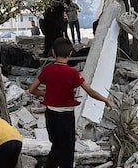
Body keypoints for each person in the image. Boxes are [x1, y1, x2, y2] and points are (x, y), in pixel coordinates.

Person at [29, 37, 109, 168]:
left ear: (53, 53)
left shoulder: (47, 70)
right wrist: (106, 100)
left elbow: (32, 89)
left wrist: (48, 94)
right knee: (67, 150)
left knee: (56, 147)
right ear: (70, 53)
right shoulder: (73, 73)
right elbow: (90, 91)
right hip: (66, 116)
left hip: (50, 115)